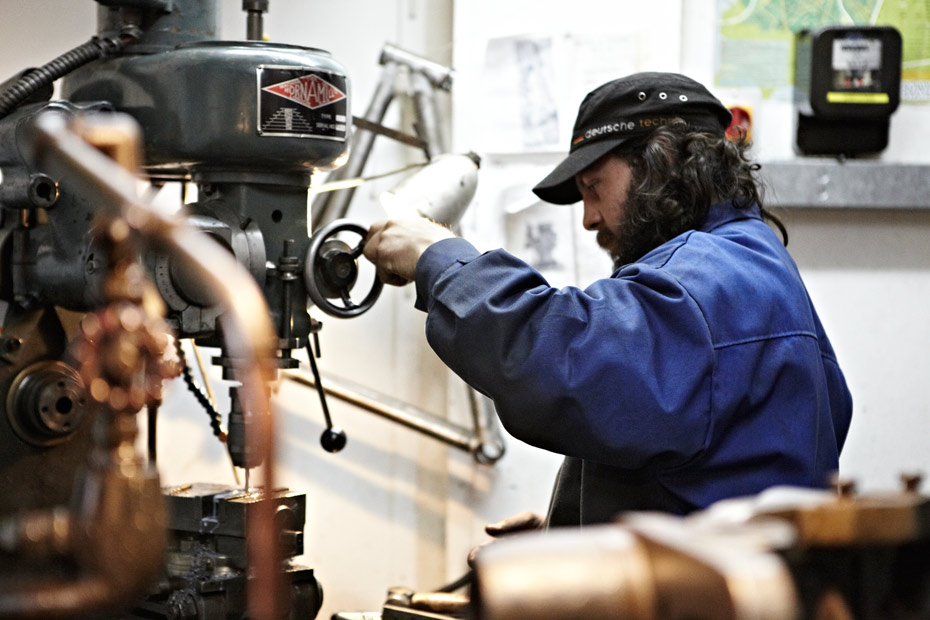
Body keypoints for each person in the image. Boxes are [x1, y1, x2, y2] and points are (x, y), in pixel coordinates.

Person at [363, 72, 853, 529]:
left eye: (594, 187)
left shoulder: (703, 280)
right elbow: (699, 466)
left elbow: (559, 359)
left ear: (662, 159)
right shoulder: (752, 258)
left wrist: (436, 256)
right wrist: (570, 539)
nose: (589, 219)